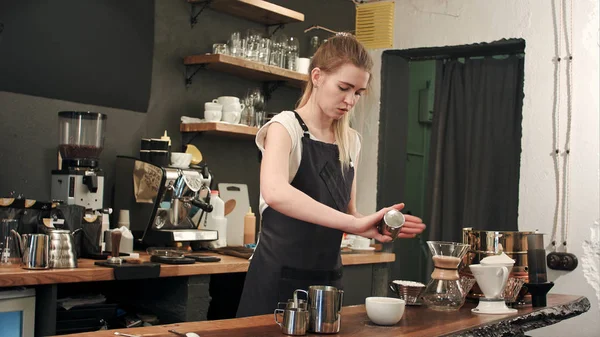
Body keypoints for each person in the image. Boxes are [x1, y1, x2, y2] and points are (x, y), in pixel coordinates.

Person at [236, 33, 426, 317]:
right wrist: (354, 222)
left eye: (358, 93)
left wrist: (377, 224)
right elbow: (274, 192)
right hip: (276, 281)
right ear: (317, 76)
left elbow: (347, 212)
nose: (350, 100)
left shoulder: (351, 141)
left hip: (327, 282)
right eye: (343, 88)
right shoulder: (284, 127)